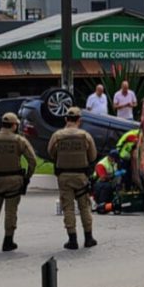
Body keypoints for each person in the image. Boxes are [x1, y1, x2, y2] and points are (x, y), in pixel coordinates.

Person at [0, 112, 37, 252]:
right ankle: (8, 241)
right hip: (14, 182)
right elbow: (32, 161)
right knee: (11, 212)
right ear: (14, 125)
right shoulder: (19, 140)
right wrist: (27, 177)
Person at [48, 106, 99, 249]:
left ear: (66, 119)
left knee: (68, 208)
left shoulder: (57, 136)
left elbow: (50, 153)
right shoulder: (85, 136)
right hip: (81, 176)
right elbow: (93, 156)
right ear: (79, 120)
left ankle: (72, 239)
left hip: (64, 176)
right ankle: (89, 238)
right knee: (84, 207)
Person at [93, 148, 126, 214]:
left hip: (109, 181)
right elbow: (103, 178)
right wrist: (114, 175)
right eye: (115, 159)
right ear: (111, 157)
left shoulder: (113, 163)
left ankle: (115, 203)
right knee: (107, 186)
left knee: (119, 181)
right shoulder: (101, 164)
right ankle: (102, 205)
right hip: (99, 184)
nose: (116, 161)